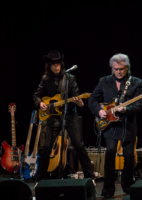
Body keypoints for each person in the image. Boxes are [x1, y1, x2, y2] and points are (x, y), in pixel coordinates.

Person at [33, 50, 95, 187]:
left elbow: (76, 96)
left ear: (61, 64)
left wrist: (79, 102)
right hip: (51, 117)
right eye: (53, 64)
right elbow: (36, 96)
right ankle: (40, 179)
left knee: (79, 145)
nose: (56, 66)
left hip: (69, 115)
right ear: (49, 66)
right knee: (46, 148)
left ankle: (90, 177)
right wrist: (40, 103)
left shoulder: (70, 78)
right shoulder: (45, 79)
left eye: (58, 64)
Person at [88, 53, 142, 198]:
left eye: (122, 69)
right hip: (110, 124)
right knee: (110, 152)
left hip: (128, 124)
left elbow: (138, 105)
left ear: (127, 68)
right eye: (116, 69)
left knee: (129, 156)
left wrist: (126, 109)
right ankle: (108, 189)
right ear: (112, 68)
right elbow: (92, 99)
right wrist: (99, 111)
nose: (119, 71)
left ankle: (127, 186)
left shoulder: (136, 82)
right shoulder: (104, 81)